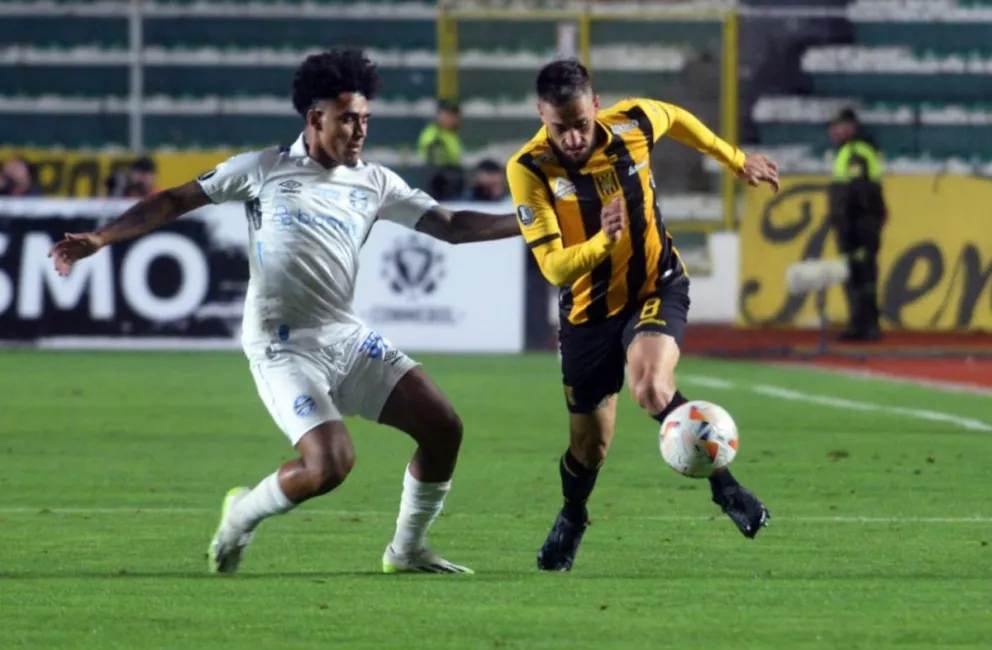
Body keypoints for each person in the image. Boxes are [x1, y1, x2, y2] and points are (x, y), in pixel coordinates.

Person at [48, 47, 520, 576]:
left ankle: (406, 549)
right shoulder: (264, 169)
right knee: (331, 465)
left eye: (365, 119)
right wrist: (100, 237)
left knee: (443, 427)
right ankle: (240, 516)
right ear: (315, 118)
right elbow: (175, 200)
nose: (360, 130)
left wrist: (527, 220)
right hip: (281, 344)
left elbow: (452, 225)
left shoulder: (374, 182)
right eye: (348, 119)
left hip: (344, 334)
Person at [506, 59, 779, 572]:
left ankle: (727, 489)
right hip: (587, 314)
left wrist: (734, 158)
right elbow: (553, 268)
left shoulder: (631, 123)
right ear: (541, 114)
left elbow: (675, 117)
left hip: (656, 286)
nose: (571, 137)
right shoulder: (528, 168)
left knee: (651, 386)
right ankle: (572, 516)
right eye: (558, 127)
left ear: (596, 104)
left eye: (580, 123)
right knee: (590, 449)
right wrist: (600, 242)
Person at [828, 107, 888, 342]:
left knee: (861, 275)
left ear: (850, 127)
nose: (833, 132)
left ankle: (865, 326)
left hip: (858, 225)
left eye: (838, 126)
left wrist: (850, 221)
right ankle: (861, 324)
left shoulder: (855, 151)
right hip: (860, 223)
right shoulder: (855, 150)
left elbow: (858, 190)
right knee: (859, 275)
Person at [417, 99, 464, 200]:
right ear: (438, 115)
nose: (452, 119)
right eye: (448, 115)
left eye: (454, 115)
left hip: (453, 178)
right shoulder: (433, 133)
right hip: (439, 181)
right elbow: (431, 157)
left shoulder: (451, 134)